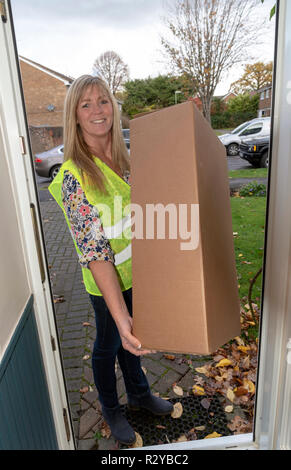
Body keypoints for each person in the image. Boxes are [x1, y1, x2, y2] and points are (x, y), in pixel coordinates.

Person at [49, 75, 173, 446]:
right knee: (110, 344)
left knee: (130, 338)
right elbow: (96, 252)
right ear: (74, 116)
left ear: (113, 108)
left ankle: (138, 393)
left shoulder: (124, 158)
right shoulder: (73, 176)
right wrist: (121, 318)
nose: (97, 110)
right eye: (86, 104)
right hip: (105, 285)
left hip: (137, 273)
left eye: (103, 101)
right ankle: (110, 407)